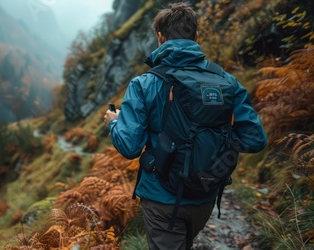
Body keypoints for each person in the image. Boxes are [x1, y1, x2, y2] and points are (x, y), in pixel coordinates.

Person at [103, 2, 267, 250]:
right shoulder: (226, 80)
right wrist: (215, 137)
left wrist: (114, 124)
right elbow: (255, 139)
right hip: (206, 193)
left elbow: (130, 146)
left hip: (161, 199)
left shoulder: (143, 84)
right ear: (196, 36)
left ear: (160, 37)